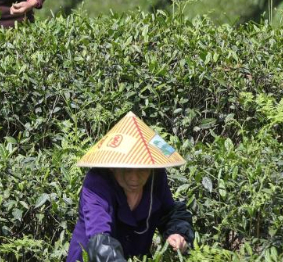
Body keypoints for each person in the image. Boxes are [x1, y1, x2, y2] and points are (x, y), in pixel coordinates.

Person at [67, 112, 195, 262]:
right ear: (112, 167)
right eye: (127, 169)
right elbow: (100, 239)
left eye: (142, 169)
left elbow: (169, 212)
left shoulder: (156, 178)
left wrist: (178, 234)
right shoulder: (96, 183)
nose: (134, 178)